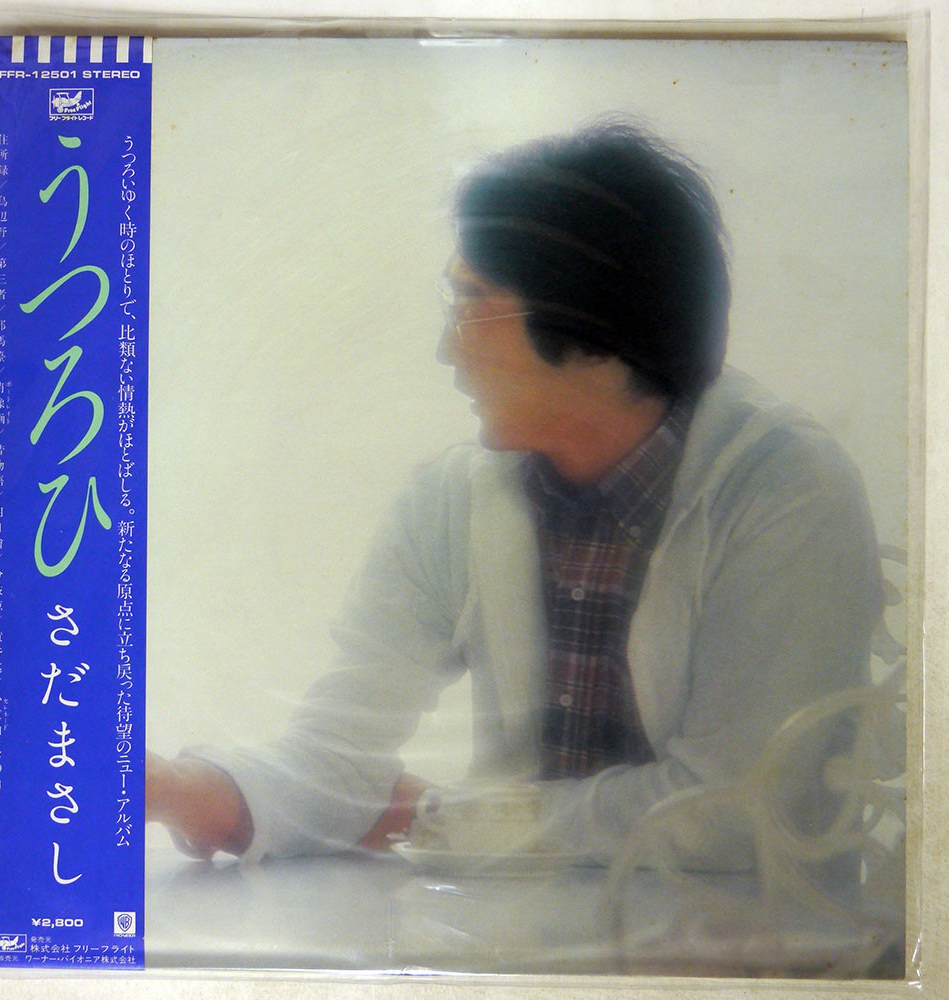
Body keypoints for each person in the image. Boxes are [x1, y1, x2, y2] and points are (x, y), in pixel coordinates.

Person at [147, 118, 882, 867]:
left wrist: (443, 821)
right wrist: (175, 788)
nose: (448, 349)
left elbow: (733, 812)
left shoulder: (785, 489)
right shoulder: (451, 500)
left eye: (473, 302)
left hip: (748, 934)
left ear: (592, 320)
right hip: (515, 922)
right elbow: (338, 756)